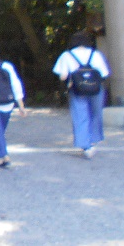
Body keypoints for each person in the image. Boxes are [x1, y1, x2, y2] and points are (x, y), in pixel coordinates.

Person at [52, 31, 111, 159]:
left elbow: (63, 76)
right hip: (96, 89)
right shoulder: (95, 54)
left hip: (77, 89)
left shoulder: (67, 55)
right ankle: (94, 139)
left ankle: (85, 145)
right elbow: (104, 73)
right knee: (95, 114)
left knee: (80, 115)